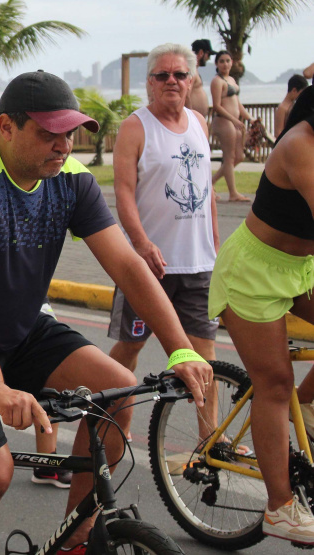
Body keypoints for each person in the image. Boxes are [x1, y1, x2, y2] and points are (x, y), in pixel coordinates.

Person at [0, 70, 212, 555]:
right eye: (48, 132)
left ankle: (74, 545)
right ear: (5, 127)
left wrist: (180, 348)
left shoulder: (71, 180)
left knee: (115, 394)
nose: (63, 145)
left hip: (18, 329)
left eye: (70, 132)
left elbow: (126, 263)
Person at [208, 86, 314, 544]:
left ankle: (304, 411)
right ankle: (279, 507)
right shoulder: (299, 145)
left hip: (299, 268)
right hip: (252, 273)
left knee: (290, 393)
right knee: (273, 384)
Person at [108, 43, 220, 443]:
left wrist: (215, 247)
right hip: (148, 267)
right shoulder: (135, 127)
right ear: (150, 83)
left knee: (205, 356)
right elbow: (123, 193)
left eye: (179, 75)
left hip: (198, 263)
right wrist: (140, 244)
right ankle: (109, 422)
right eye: (162, 75)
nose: (171, 81)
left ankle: (212, 438)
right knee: (129, 348)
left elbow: (206, 193)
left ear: (190, 81)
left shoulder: (198, 123)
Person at [210, 51, 252, 202]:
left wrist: (249, 118)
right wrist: (233, 119)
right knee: (229, 158)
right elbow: (216, 106)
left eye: (228, 61)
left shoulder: (232, 80)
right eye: (221, 61)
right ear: (217, 64)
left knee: (239, 157)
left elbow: (237, 103)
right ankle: (233, 193)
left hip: (234, 122)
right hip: (223, 121)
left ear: (232, 62)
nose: (225, 64)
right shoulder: (217, 81)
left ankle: (210, 182)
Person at [186, 39, 214, 118]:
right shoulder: (191, 70)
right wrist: (190, 118)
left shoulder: (195, 70)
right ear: (201, 53)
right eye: (208, 55)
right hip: (192, 119)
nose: (208, 58)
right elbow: (186, 96)